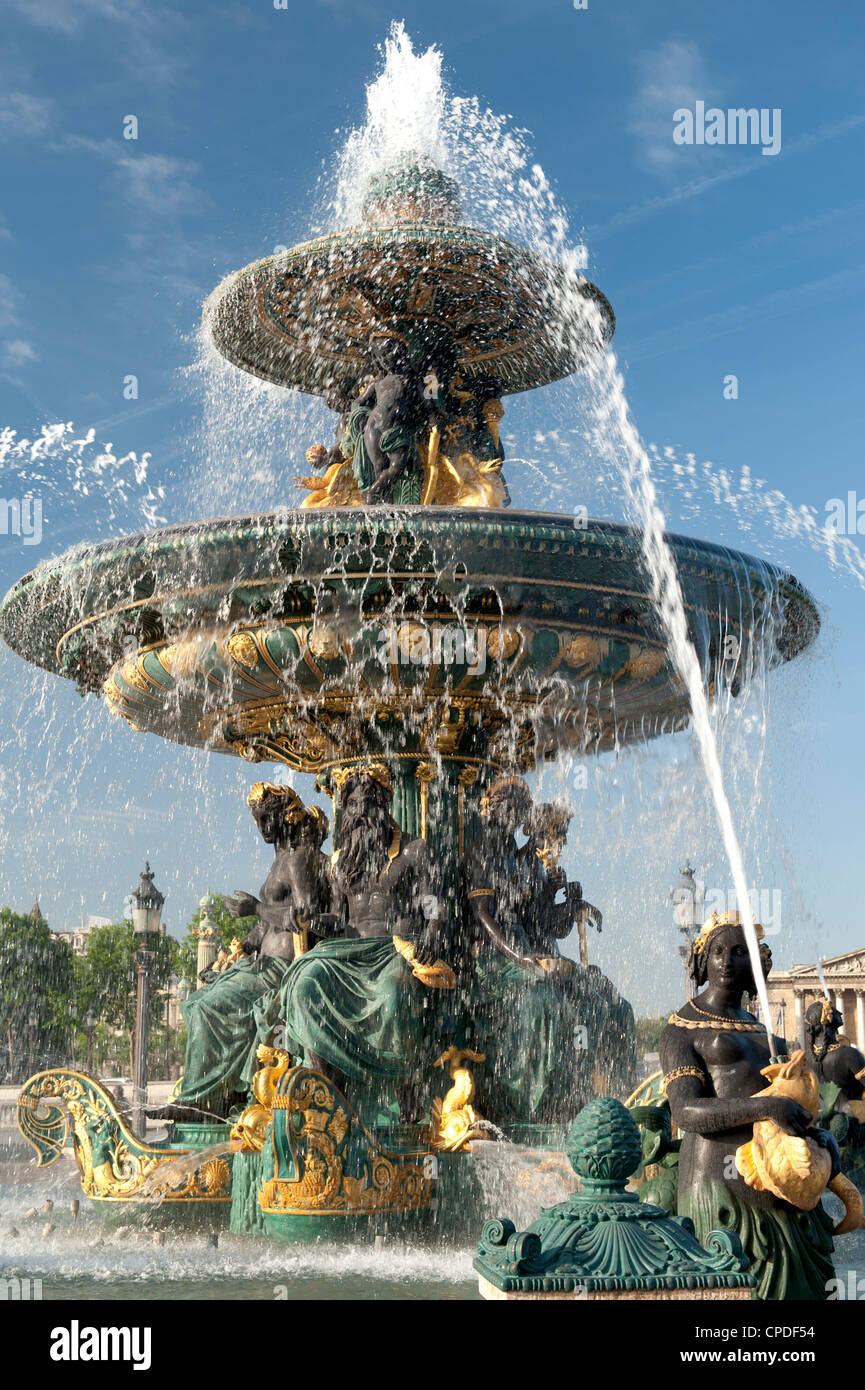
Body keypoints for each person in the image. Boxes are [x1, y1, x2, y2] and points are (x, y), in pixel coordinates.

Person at [660, 910, 838, 1300]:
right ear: (702, 960)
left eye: (740, 952)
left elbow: (785, 1101)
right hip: (721, 1195)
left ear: (755, 963)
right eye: (718, 951)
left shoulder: (761, 1030)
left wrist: (815, 1134)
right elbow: (685, 1111)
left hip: (782, 1195)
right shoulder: (681, 1028)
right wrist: (766, 1110)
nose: (727, 960)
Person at [274, 763, 450, 1118]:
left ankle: (405, 1087)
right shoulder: (341, 862)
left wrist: (432, 932)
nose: (359, 813)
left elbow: (435, 904)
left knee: (393, 994)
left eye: (368, 804)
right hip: (347, 952)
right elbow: (339, 921)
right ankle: (331, 1091)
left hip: (395, 947)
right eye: (352, 805)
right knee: (305, 984)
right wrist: (306, 920)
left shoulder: (414, 851)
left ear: (385, 804)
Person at [149, 784, 331, 1122]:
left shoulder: (298, 859)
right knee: (194, 1003)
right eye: (257, 820)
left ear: (286, 817)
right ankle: (221, 1091)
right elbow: (267, 927)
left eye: (268, 818)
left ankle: (201, 1100)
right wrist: (242, 946)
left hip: (281, 969)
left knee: (207, 1006)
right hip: (260, 962)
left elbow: (305, 919)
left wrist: (256, 907)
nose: (262, 828)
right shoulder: (278, 862)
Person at [459, 777, 608, 1124]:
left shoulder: (521, 859)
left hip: (524, 952)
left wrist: (570, 901)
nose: (513, 812)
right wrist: (521, 957)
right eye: (506, 805)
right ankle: (529, 1101)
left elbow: (543, 924)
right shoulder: (484, 851)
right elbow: (483, 915)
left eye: (519, 807)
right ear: (489, 809)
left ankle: (574, 1084)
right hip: (493, 959)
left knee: (586, 993)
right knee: (541, 998)